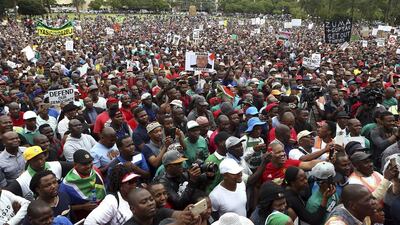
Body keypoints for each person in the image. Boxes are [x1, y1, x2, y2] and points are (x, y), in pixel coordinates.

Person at [7, 146, 71, 200]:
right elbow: (6, 195)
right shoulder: (22, 181)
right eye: (36, 160)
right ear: (28, 162)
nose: (40, 162)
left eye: (41, 158)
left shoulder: (57, 165)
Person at [59, 149, 106, 220]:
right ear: (75, 164)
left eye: (90, 162)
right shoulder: (67, 184)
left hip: (103, 212)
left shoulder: (96, 171)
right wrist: (82, 206)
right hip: (83, 218)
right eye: (84, 164)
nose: (89, 166)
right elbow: (63, 207)